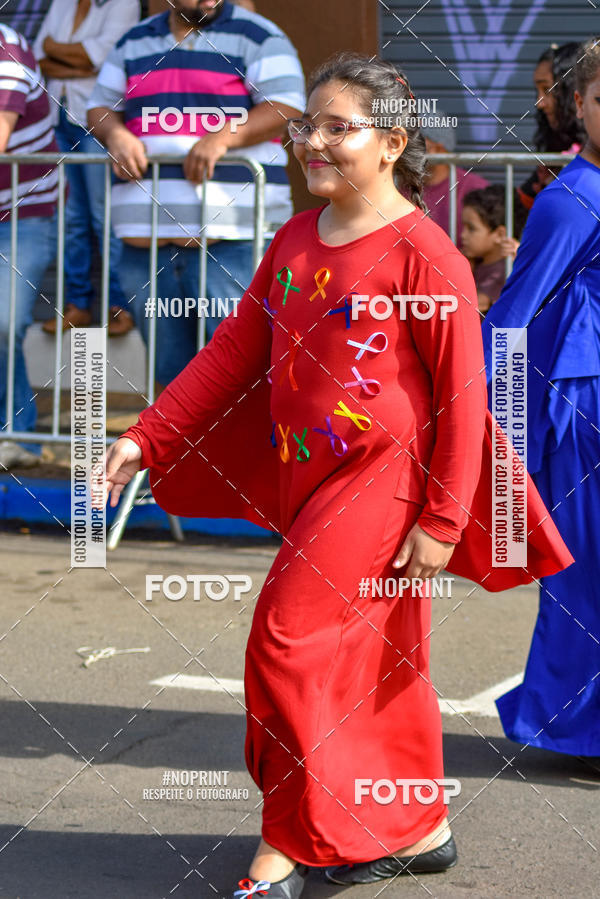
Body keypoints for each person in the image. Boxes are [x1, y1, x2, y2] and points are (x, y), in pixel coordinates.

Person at [99, 53, 571, 896]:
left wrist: (441, 518)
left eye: (337, 128)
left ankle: (285, 844)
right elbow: (233, 355)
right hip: (307, 479)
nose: (312, 141)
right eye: (308, 124)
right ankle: (418, 822)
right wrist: (148, 435)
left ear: (392, 143)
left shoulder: (428, 254)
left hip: (388, 481)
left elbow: (466, 402)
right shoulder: (291, 239)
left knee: (284, 640)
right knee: (381, 659)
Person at [482, 36, 600, 757]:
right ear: (579, 107)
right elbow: (511, 321)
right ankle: (582, 728)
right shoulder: (571, 199)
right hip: (585, 412)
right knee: (586, 581)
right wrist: (500, 442)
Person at [87, 0, 304, 387]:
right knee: (171, 382)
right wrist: (115, 133)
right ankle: (179, 450)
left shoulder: (258, 34)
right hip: (147, 247)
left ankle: (237, 451)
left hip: (232, 244)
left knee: (240, 376)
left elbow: (286, 105)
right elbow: (99, 106)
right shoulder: (133, 41)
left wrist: (225, 136)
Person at [34, 0, 139, 337]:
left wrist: (62, 56)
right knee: (70, 217)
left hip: (97, 122)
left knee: (104, 215)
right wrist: (80, 64)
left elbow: (108, 60)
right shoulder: (62, 3)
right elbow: (39, 56)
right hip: (59, 119)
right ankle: (77, 305)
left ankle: (119, 306)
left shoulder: (125, 4)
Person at [0, 23, 59, 448]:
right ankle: (14, 437)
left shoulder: (7, 49)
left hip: (25, 211)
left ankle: (16, 437)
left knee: (4, 321)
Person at [519, 42, 585, 210]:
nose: (539, 102)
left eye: (547, 89)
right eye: (538, 90)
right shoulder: (554, 144)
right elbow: (521, 201)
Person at [461, 185, 528, 315]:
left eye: (471, 228)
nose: (463, 235)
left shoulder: (504, 271)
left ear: (499, 234)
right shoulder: (475, 263)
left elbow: (474, 304)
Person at [421, 115, 489, 241]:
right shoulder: (397, 185)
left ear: (438, 148)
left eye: (415, 139)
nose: (405, 145)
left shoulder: (476, 189)